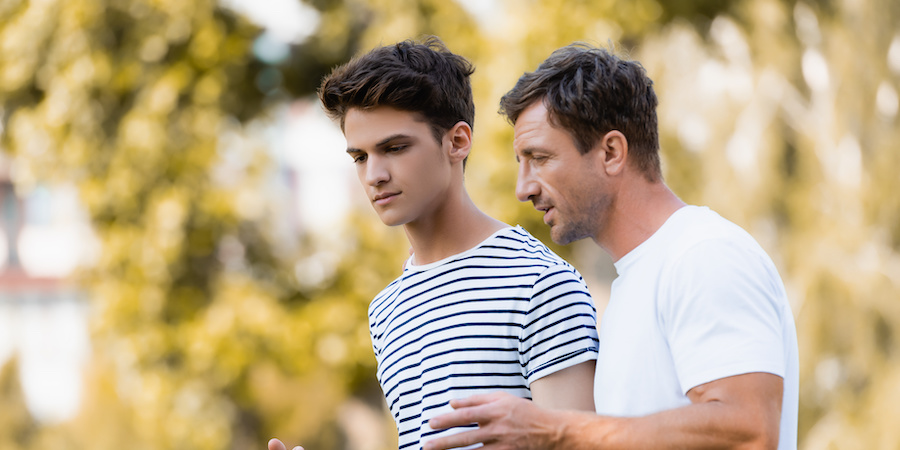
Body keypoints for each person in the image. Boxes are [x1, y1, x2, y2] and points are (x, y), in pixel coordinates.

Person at [424, 43, 799, 450]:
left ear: (611, 152)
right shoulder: (632, 285)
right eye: (521, 161)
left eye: (540, 157)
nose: (523, 188)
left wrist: (556, 431)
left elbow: (749, 429)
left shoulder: (703, 254)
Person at [269, 37, 600, 450]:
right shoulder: (386, 309)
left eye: (394, 148)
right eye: (360, 157)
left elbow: (579, 442)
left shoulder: (537, 283)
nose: (374, 175)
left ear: (457, 142)